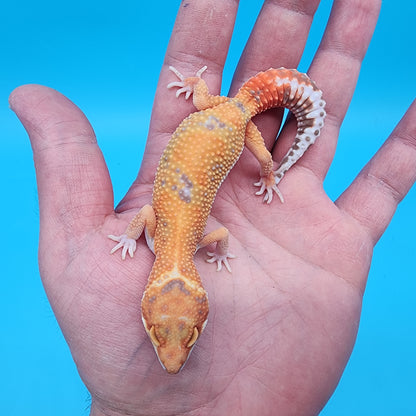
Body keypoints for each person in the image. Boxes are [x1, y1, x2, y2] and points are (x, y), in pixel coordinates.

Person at [9, 0, 415, 415]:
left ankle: (275, 168)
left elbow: (193, 229)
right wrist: (142, 240)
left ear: (153, 301)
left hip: (232, 120)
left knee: (267, 159)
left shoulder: (185, 239)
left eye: (158, 332)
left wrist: (267, 172)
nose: (172, 356)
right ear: (197, 299)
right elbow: (152, 219)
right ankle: (269, 163)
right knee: (252, 142)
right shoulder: (163, 239)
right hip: (222, 115)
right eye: (189, 334)